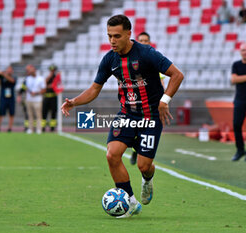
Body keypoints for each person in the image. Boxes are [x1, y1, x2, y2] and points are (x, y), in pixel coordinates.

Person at [61, 15, 183, 218]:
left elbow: (177, 75)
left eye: (116, 36)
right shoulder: (110, 59)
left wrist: (165, 100)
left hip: (150, 116)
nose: (112, 41)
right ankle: (131, 202)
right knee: (112, 154)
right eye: (109, 36)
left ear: (129, 34)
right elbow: (94, 89)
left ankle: (147, 179)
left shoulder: (147, 54)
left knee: (144, 165)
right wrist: (75, 102)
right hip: (126, 114)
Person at [129, 31, 167, 165]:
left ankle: (140, 151)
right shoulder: (131, 60)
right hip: (134, 102)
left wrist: (163, 100)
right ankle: (136, 149)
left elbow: (161, 82)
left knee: (147, 128)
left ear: (150, 43)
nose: (144, 43)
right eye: (142, 41)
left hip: (150, 104)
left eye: (146, 41)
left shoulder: (152, 60)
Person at [25, 64, 46, 134]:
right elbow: (26, 88)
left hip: (37, 99)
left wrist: (36, 93)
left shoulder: (41, 78)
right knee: (30, 115)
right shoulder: (28, 78)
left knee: (38, 115)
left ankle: (39, 129)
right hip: (29, 99)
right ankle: (30, 129)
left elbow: (44, 90)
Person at [0, 66, 16, 132]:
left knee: (11, 114)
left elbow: (12, 81)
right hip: (3, 98)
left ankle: (10, 128)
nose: (9, 71)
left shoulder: (14, 77)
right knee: (0, 113)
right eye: (8, 69)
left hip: (11, 98)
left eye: (10, 70)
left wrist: (3, 74)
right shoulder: (2, 77)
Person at [42, 65, 63, 132]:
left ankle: (52, 127)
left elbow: (58, 85)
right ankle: (43, 127)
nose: (52, 71)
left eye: (53, 70)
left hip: (53, 97)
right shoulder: (48, 77)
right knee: (44, 113)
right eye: (51, 70)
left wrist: (53, 86)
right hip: (46, 97)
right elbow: (44, 84)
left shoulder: (56, 78)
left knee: (53, 112)